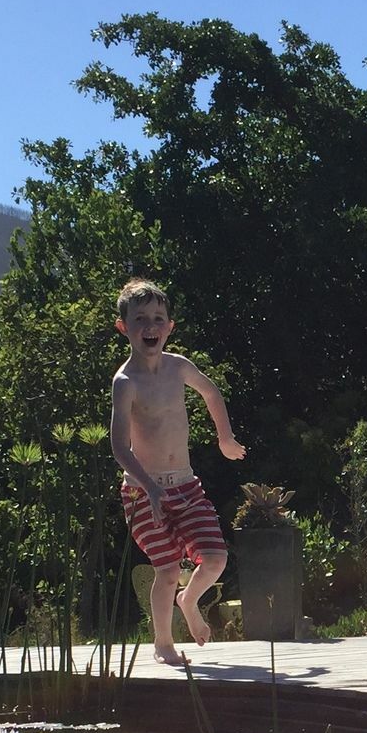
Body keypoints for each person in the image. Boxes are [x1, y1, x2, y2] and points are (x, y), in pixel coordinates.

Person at [109, 277, 247, 665]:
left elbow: (211, 392)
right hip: (141, 492)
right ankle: (164, 644)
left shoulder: (178, 367)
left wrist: (225, 438)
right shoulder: (125, 383)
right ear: (125, 328)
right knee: (167, 569)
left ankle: (190, 600)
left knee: (216, 559)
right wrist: (150, 488)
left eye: (158, 318)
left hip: (186, 486)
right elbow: (119, 446)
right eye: (140, 319)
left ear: (169, 326)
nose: (150, 326)